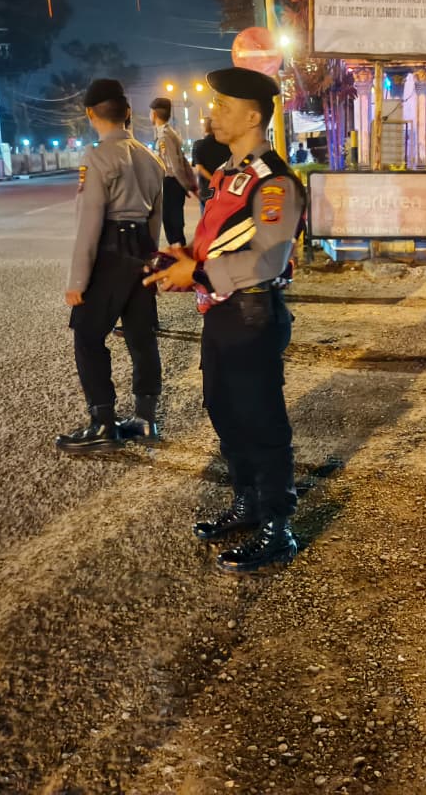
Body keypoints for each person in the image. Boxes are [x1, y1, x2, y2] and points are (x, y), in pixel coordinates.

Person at [144, 67, 306, 573]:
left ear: (253, 117)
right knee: (224, 411)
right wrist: (183, 259)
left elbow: (270, 258)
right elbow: (217, 238)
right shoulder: (228, 175)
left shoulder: (275, 182)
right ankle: (248, 502)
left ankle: (278, 527)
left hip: (252, 314)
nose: (212, 112)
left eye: (223, 106)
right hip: (220, 313)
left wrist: (200, 271)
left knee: (261, 421)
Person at [57, 79, 165, 452]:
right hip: (142, 252)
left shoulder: (97, 157)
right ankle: (146, 419)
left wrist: (77, 280)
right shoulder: (151, 158)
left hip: (110, 252)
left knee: (87, 336)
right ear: (128, 113)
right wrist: (151, 263)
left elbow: (89, 223)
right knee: (141, 337)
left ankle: (102, 422)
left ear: (90, 114)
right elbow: (155, 221)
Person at [150, 97, 198, 247]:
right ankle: (178, 253)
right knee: (172, 224)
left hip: (171, 183)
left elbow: (175, 165)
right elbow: (182, 161)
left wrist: (185, 185)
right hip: (172, 183)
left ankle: (180, 256)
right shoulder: (167, 132)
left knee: (173, 226)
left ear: (154, 114)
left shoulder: (164, 136)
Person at [191, 116, 230, 205]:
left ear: (204, 128)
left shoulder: (198, 145)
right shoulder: (226, 144)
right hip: (225, 186)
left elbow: (199, 169)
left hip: (207, 189)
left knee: (207, 212)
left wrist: (214, 180)